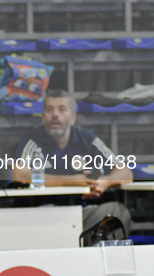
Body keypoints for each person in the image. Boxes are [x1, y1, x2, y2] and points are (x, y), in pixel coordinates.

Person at [12, 90, 133, 236]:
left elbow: (125, 172)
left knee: (118, 212)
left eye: (62, 109)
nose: (55, 115)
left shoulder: (87, 140)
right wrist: (71, 181)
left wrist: (105, 182)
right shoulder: (32, 140)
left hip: (81, 213)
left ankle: (98, 256)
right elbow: (19, 175)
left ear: (73, 118)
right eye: (49, 110)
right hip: (45, 212)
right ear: (43, 118)